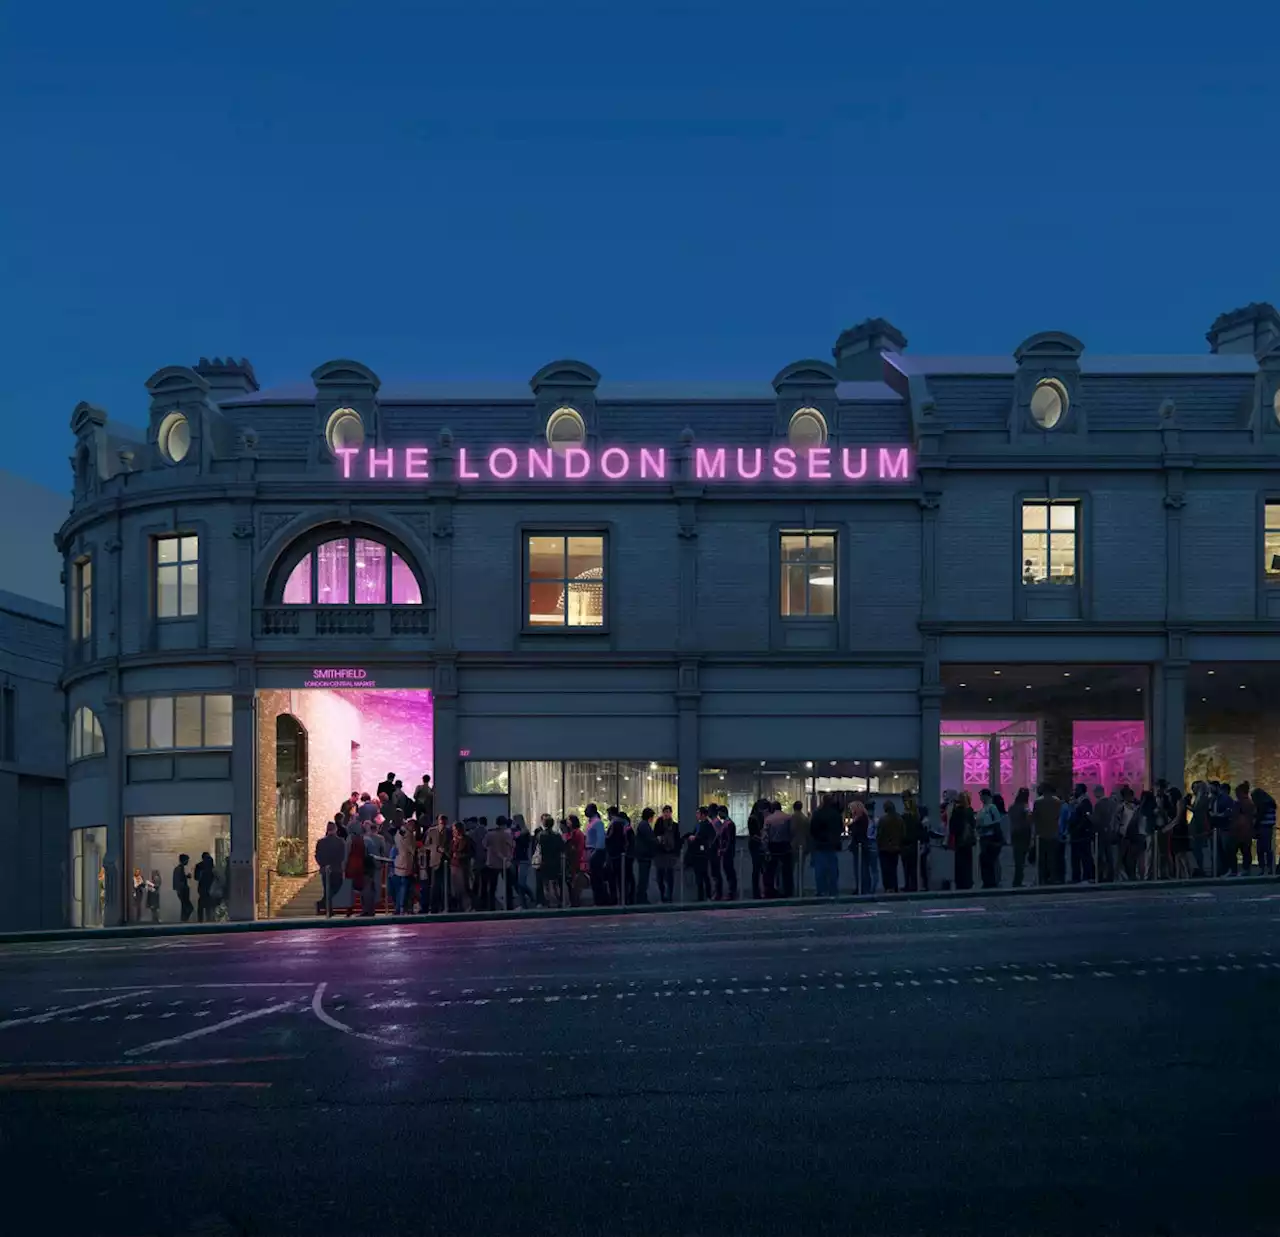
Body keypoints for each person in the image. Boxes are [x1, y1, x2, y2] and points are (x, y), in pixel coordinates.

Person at [809, 794, 843, 897]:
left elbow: (813, 829)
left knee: (820, 871)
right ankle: (833, 890)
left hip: (820, 845)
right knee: (833, 870)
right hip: (833, 845)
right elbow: (840, 828)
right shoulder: (836, 814)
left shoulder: (818, 814)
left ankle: (821, 890)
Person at [1031, 785, 1062, 886]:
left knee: (1041, 858)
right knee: (1052, 858)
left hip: (1041, 833)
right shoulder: (1057, 802)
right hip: (1054, 833)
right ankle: (1053, 877)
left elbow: (1035, 818)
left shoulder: (1038, 802)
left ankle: (1042, 878)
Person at [482, 816, 512, 911]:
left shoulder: (490, 834)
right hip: (505, 863)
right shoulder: (507, 834)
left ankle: (491, 907)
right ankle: (509, 906)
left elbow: (484, 844)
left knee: (492, 887)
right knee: (508, 886)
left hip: (492, 863)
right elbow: (512, 845)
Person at [764, 801, 794, 897]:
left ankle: (770, 891)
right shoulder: (788, 817)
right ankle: (788, 891)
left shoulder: (769, 819)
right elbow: (791, 832)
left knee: (771, 870)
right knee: (787, 870)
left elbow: (765, 835)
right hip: (785, 844)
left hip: (773, 845)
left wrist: (766, 849)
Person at [975, 789, 1004, 889]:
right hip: (983, 837)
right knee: (984, 860)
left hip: (990, 837)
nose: (981, 798)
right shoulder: (983, 809)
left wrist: (985, 828)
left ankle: (991, 881)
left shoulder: (992, 808)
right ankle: (987, 881)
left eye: (982, 796)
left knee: (989, 860)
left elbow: (996, 822)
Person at [949, 792, 976, 891]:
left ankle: (960, 882)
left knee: (959, 863)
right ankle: (968, 881)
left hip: (959, 840)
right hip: (968, 841)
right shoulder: (970, 811)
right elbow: (973, 825)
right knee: (968, 863)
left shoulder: (956, 811)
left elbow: (952, 828)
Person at [877, 799, 905, 892]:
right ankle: (894, 886)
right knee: (893, 868)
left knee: (885, 869)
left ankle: (888, 887)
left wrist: (879, 844)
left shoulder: (883, 820)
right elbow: (903, 834)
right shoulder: (900, 819)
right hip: (896, 848)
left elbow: (880, 834)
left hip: (884, 848)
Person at [653, 806, 679, 903]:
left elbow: (677, 839)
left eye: (668, 812)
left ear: (671, 813)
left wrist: (676, 852)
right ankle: (662, 895)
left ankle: (669, 896)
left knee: (669, 876)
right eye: (665, 812)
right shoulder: (659, 824)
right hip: (660, 853)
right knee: (660, 876)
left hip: (670, 854)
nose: (666, 814)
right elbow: (655, 836)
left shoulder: (675, 825)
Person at [391, 814, 416, 913]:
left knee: (399, 887)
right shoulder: (408, 835)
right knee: (404, 887)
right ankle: (402, 907)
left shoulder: (399, 833)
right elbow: (412, 848)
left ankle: (398, 907)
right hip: (406, 863)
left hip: (398, 862)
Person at [1008, 787, 1032, 887]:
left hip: (1015, 834)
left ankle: (1017, 880)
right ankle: (1018, 880)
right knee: (1021, 860)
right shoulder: (1025, 807)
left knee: (1018, 859)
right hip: (1023, 834)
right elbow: (1028, 822)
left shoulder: (1012, 807)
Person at [584, 804, 608, 906]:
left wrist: (595, 853)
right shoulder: (591, 823)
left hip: (596, 853)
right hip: (591, 852)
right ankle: (598, 899)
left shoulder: (597, 823)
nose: (585, 811)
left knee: (597, 878)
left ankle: (600, 900)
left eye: (587, 809)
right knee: (594, 878)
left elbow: (600, 840)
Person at [510, 815, 536, 909]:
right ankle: (525, 901)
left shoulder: (525, 833)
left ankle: (528, 899)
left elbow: (527, 845)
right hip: (515, 858)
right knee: (516, 883)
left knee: (521, 883)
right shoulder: (515, 832)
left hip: (523, 859)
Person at [690, 808, 716, 901]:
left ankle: (707, 895)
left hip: (703, 853)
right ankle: (701, 896)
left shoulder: (708, 825)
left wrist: (696, 838)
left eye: (698, 813)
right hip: (696, 852)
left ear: (703, 815)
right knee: (699, 876)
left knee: (704, 875)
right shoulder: (698, 824)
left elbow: (708, 838)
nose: (696, 815)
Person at [1092, 786, 1117, 883]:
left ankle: (1100, 875)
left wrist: (1089, 817)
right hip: (1109, 832)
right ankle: (1110, 875)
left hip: (1100, 833)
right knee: (1109, 855)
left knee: (1100, 855)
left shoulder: (1099, 804)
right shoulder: (1111, 803)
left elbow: (1096, 820)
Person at [714, 804, 739, 900]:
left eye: (719, 813)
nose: (718, 815)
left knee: (729, 871)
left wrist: (724, 849)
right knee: (727, 871)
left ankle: (732, 892)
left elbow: (729, 839)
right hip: (725, 851)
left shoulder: (729, 824)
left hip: (727, 852)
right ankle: (731, 891)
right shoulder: (726, 823)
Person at [1230, 783, 1255, 876]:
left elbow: (1237, 817)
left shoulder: (1241, 803)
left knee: (1237, 850)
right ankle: (1245, 869)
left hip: (1240, 830)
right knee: (1245, 851)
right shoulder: (1249, 803)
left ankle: (1236, 870)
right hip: (1245, 831)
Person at [1251, 785, 1276, 876]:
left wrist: (1254, 826)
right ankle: (1270, 868)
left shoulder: (1262, 806)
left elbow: (1258, 817)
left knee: (1261, 849)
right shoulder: (1270, 803)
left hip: (1263, 828)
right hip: (1268, 828)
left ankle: (1263, 868)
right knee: (1267, 849)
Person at [634, 808, 658, 904]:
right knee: (643, 878)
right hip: (644, 856)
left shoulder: (643, 825)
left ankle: (642, 897)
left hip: (644, 855)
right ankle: (641, 898)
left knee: (644, 878)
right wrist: (657, 840)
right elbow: (650, 839)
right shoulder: (644, 826)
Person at [449, 820, 473, 910]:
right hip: (453, 866)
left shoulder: (467, 839)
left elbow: (471, 852)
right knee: (455, 888)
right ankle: (458, 906)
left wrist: (461, 856)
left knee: (464, 886)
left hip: (463, 866)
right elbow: (450, 852)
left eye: (455, 829)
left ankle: (468, 905)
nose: (453, 831)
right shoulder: (453, 840)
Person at [901, 794, 923, 892]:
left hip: (906, 844)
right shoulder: (917, 818)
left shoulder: (904, 818)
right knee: (913, 867)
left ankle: (908, 885)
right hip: (914, 844)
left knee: (906, 867)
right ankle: (913, 885)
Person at [564, 815, 586, 907]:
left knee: (575, 883)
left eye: (568, 821)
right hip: (572, 861)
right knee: (571, 882)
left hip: (576, 860)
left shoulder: (577, 833)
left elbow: (578, 848)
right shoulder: (573, 833)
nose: (567, 823)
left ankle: (575, 901)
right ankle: (573, 901)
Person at [746, 807, 766, 899]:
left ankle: (758, 891)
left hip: (755, 844)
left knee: (757, 869)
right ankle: (757, 892)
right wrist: (761, 839)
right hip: (756, 845)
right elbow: (753, 834)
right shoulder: (754, 819)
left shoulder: (754, 818)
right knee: (758, 868)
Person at [193, 852, 217, 922]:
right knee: (207, 904)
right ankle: (208, 919)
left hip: (203, 887)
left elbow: (196, 877)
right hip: (209, 886)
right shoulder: (210, 865)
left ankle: (201, 920)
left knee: (202, 904)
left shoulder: (200, 866)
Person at [170, 853, 194, 922]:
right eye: (187, 860)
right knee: (188, 907)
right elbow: (179, 880)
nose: (188, 862)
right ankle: (184, 920)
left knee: (184, 907)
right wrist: (180, 889)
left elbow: (179, 879)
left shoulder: (179, 868)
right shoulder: (179, 869)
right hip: (183, 890)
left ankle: (183, 920)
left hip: (182, 890)